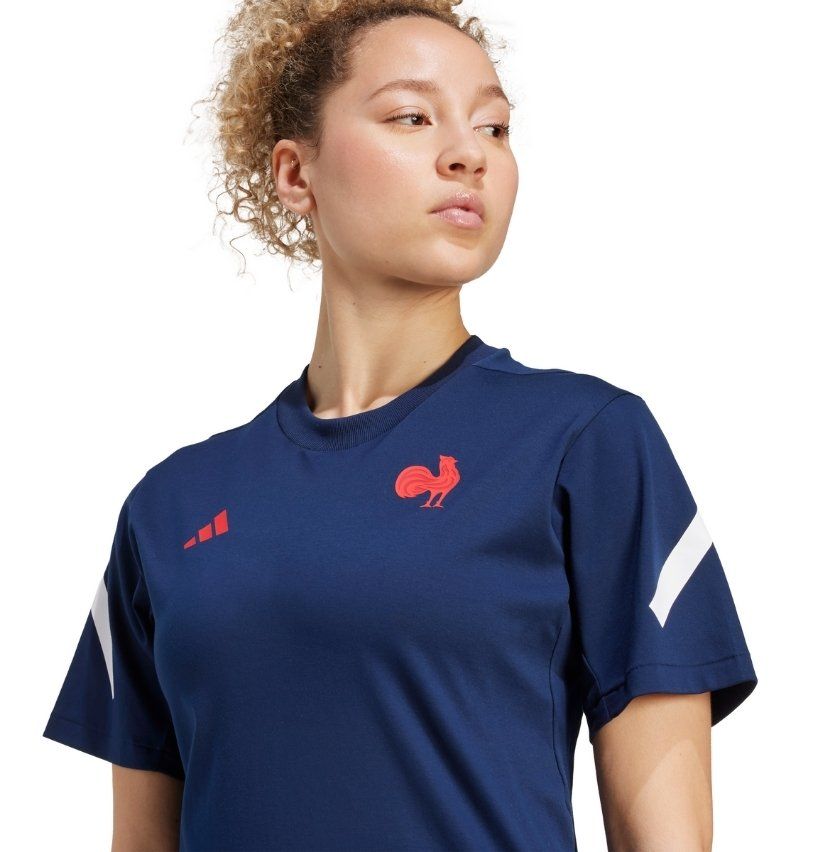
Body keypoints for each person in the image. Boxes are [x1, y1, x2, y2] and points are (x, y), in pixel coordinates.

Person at [42, 1, 758, 850]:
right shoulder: (169, 507)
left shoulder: (588, 442)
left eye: (493, 127)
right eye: (412, 117)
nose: (469, 154)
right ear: (295, 174)